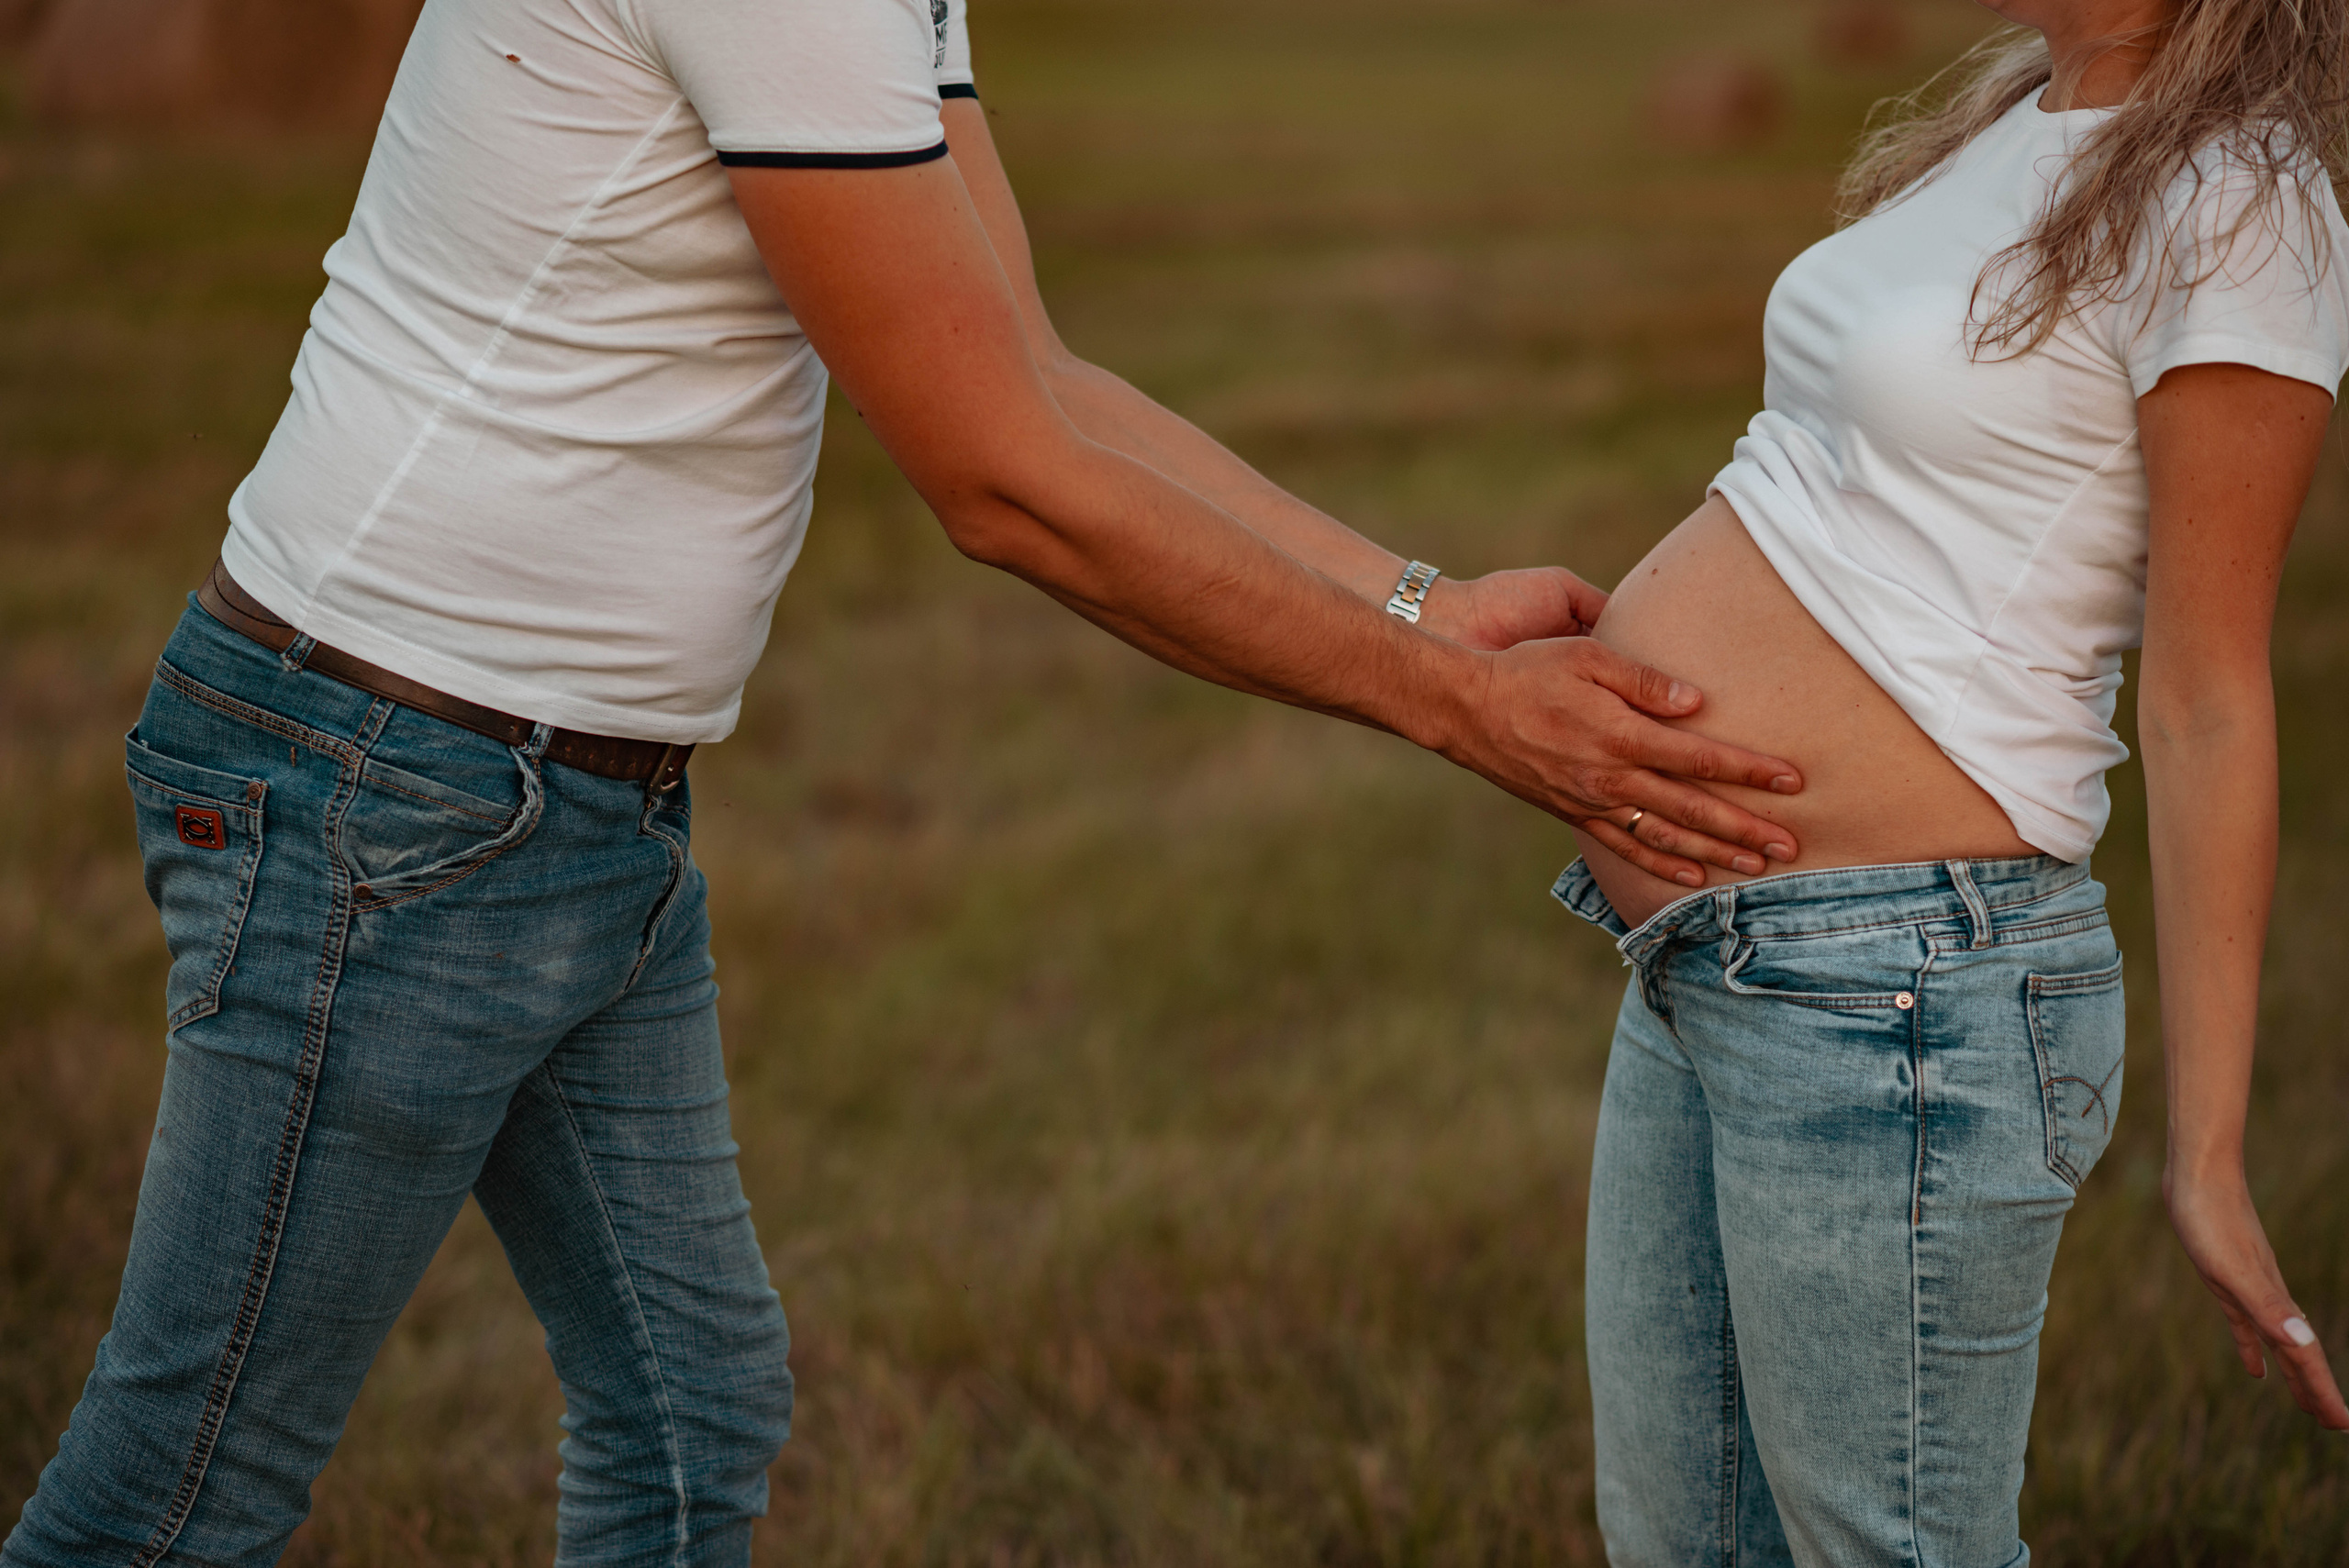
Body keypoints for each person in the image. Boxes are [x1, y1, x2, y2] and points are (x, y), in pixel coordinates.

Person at [0, 0, 1811, 1562]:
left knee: (692, 1408)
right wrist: (1454, 709)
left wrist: (1418, 602)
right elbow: (999, 481)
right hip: (393, 791)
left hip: (562, 804)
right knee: (181, 1502)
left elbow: (1033, 372)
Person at [1553, 0, 2349, 1562]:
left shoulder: (2242, 199)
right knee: (1681, 1543)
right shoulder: (2010, 124)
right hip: (1715, 966)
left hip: (1904, 989)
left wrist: (2208, 1152)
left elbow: (2207, 693)